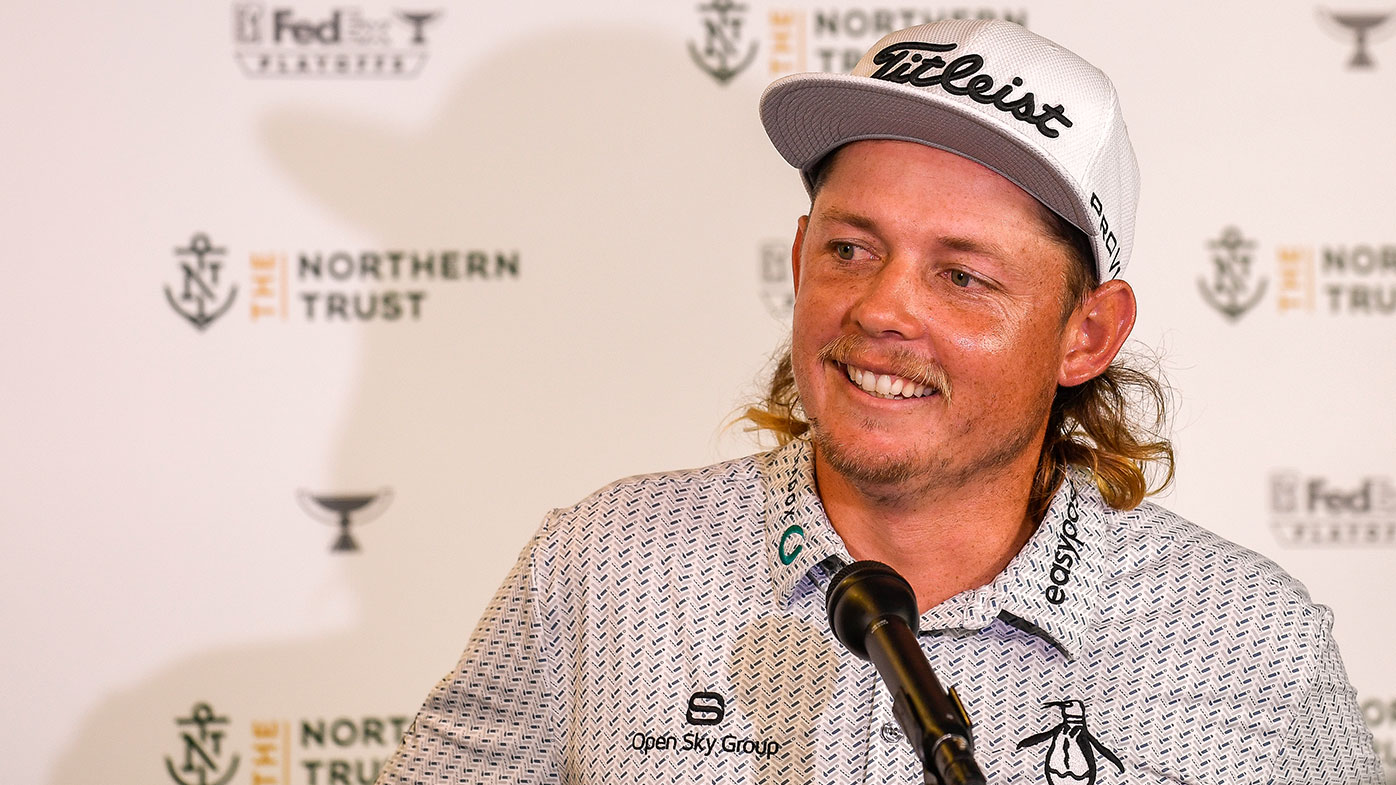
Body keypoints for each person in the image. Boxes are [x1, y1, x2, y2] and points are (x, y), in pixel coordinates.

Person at [375, 19, 1381, 785]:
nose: (881, 306)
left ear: (1087, 333)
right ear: (803, 254)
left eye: (963, 275)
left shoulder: (1253, 642)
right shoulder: (600, 563)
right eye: (852, 249)